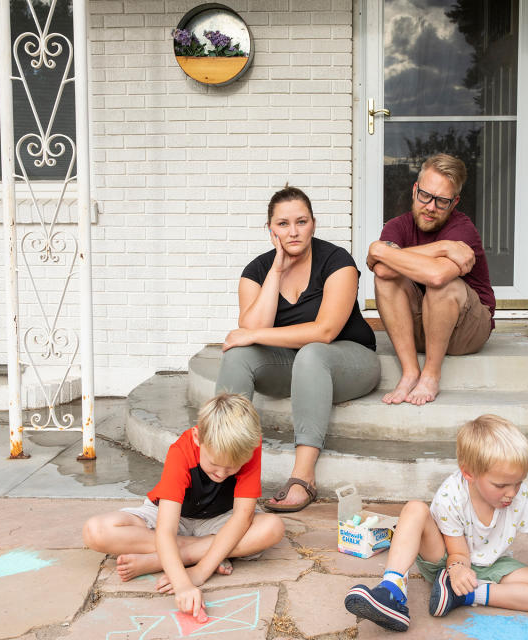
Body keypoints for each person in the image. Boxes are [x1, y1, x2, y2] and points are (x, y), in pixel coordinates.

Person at [343, 414, 528, 633]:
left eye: (518, 482)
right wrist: (456, 569)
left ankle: (462, 595)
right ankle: (392, 591)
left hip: (490, 564)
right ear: (469, 473)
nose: (512, 492)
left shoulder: (519, 497)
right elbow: (457, 551)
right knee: (414, 509)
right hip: (444, 557)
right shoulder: (451, 494)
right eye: (501, 485)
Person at [216, 185, 381, 513]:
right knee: (238, 356)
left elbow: (325, 330)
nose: (293, 232)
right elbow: (250, 331)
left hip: (350, 360)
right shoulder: (257, 271)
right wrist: (276, 271)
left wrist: (254, 334)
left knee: (312, 351)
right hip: (296, 366)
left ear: (314, 224)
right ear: (270, 229)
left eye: (301, 222)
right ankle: (219, 465)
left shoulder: (337, 262)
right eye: (283, 224)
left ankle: (303, 477)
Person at [82, 394, 285, 619]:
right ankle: (205, 552)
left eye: (231, 469)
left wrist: (198, 573)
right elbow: (166, 530)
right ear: (198, 438)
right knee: (96, 531)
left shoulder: (248, 445)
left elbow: (241, 518)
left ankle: (169, 559)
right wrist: (182, 585)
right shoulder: (182, 450)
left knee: (272, 527)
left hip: (221, 519)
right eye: (215, 464)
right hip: (173, 518)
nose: (221, 474)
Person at [367, 153, 495, 406]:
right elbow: (382, 272)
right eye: (425, 195)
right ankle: (410, 371)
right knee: (385, 279)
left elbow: (437, 275)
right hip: (421, 325)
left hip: (466, 330)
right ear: (415, 190)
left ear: (455, 202)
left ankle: (431, 374)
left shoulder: (463, 229)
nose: (430, 207)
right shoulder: (397, 226)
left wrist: (381, 250)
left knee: (441, 285)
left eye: (442, 201)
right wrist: (444, 248)